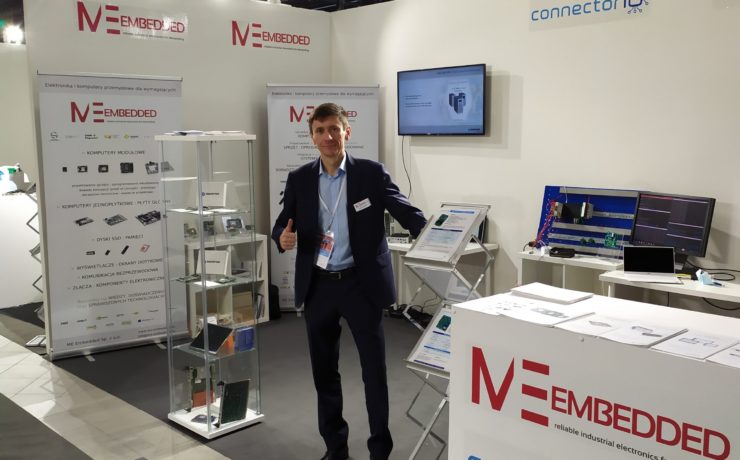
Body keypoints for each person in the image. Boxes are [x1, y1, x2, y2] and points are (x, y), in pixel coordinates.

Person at [272, 103, 427, 460]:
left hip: (361, 285)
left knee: (374, 372)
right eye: (320, 130)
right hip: (319, 287)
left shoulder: (370, 174)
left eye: (334, 129)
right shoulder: (299, 179)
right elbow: (282, 222)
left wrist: (439, 234)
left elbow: (406, 212)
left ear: (347, 132)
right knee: (324, 372)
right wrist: (281, 236)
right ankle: (335, 448)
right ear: (312, 137)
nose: (328, 136)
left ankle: (379, 450)